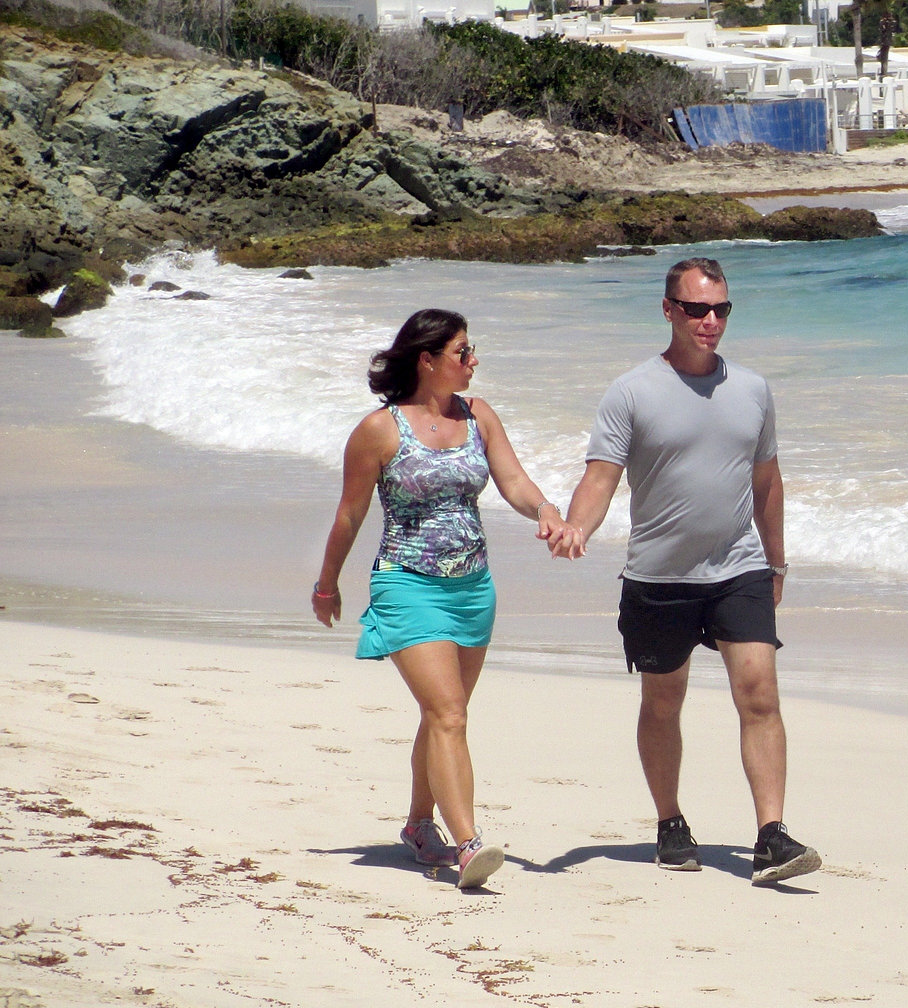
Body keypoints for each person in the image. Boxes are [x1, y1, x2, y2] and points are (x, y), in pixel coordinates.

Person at [551, 257, 821, 887]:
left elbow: (767, 481)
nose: (710, 321)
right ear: (668, 310)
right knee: (663, 701)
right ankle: (670, 822)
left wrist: (776, 560)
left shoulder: (752, 389)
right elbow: (601, 476)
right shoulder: (632, 391)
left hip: (739, 566)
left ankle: (772, 837)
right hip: (660, 576)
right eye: (697, 308)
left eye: (721, 309)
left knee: (759, 694)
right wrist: (576, 527)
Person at [312, 309, 568, 890]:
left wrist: (547, 511)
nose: (473, 361)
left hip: (473, 588)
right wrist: (328, 584)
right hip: (407, 584)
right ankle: (468, 844)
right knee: (448, 713)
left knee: (443, 715)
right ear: (427, 360)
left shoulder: (479, 416)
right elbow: (350, 514)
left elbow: (514, 482)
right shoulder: (379, 431)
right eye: (462, 352)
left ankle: (417, 824)